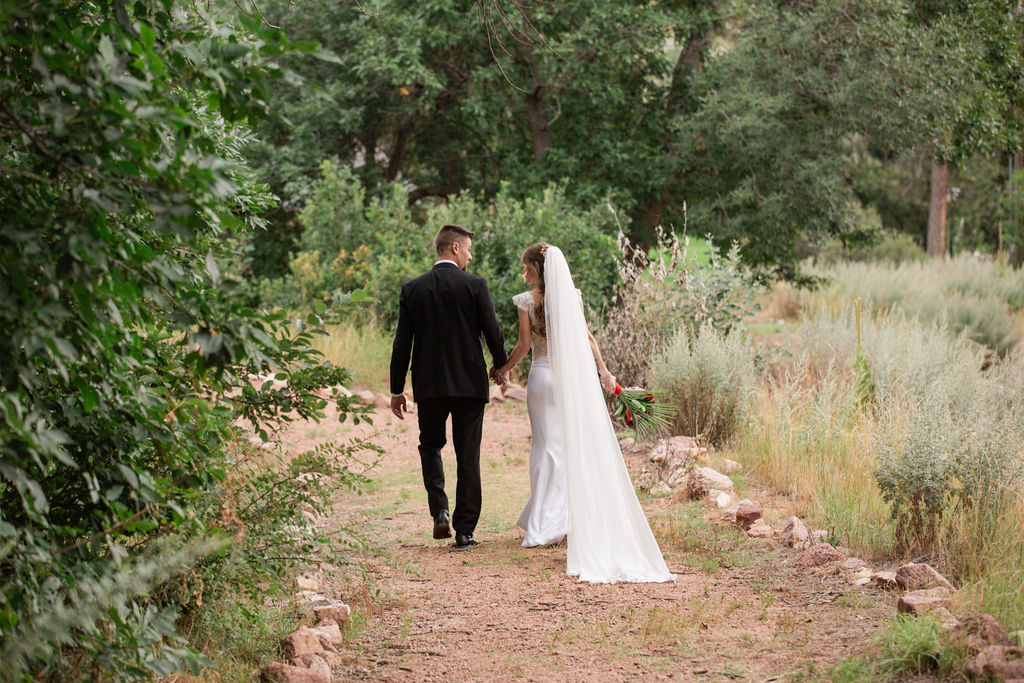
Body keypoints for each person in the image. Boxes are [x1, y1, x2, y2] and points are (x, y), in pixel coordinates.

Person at [495, 243, 674, 583]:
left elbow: (523, 346)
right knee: (565, 447)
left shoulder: (525, 301)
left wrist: (503, 369)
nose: (524, 273)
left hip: (542, 377)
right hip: (571, 379)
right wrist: (604, 373)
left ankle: (545, 524)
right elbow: (588, 337)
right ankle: (562, 518)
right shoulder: (571, 297)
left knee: (545, 447)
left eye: (526, 267)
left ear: (537, 267)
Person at [390, 224, 508, 549]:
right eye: (468, 249)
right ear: (455, 248)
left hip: (429, 385)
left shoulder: (413, 289)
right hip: (470, 384)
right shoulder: (475, 285)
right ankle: (465, 531)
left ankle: (440, 510)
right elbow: (493, 331)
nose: (470, 256)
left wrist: (396, 389)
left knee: (430, 446)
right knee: (468, 454)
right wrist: (501, 366)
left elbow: (402, 343)